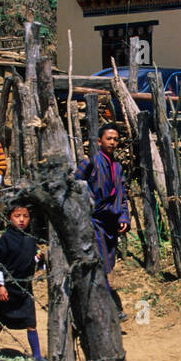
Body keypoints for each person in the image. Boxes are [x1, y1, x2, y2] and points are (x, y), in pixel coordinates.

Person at [75, 124, 130, 316]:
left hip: (111, 223)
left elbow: (122, 195)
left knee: (107, 262)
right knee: (100, 264)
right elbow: (74, 186)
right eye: (109, 139)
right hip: (94, 221)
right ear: (99, 141)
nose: (113, 143)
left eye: (116, 139)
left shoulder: (117, 168)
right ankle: (109, 308)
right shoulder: (89, 163)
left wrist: (123, 216)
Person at [0, 203, 45, 361]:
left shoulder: (29, 239)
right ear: (10, 218)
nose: (21, 220)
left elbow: (32, 261)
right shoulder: (6, 239)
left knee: (31, 322)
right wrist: (0, 286)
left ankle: (37, 356)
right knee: (0, 321)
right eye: (17, 216)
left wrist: (38, 259)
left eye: (25, 216)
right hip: (8, 289)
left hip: (25, 289)